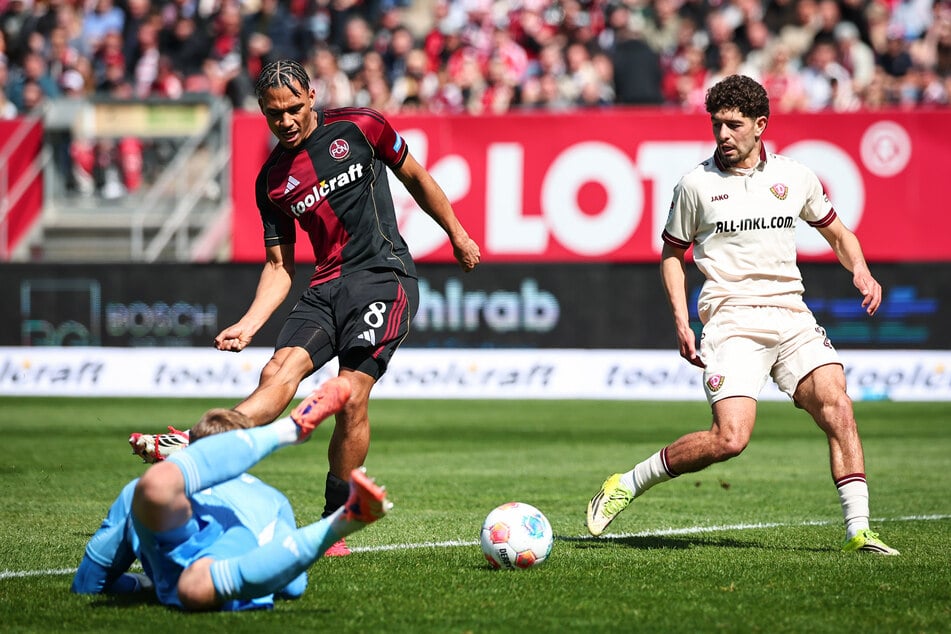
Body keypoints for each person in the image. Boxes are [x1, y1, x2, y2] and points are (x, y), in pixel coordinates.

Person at [129, 58, 481, 557]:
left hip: (384, 278)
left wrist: (458, 235)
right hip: (324, 288)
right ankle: (196, 444)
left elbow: (417, 178)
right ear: (262, 113)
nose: (287, 121)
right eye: (275, 114)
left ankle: (335, 518)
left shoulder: (362, 127)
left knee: (351, 395)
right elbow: (278, 267)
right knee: (276, 373)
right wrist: (249, 324)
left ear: (312, 96)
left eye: (294, 108)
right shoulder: (271, 181)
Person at [586, 74, 898, 556]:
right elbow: (672, 255)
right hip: (732, 321)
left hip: (791, 315)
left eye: (733, 126)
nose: (723, 136)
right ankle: (627, 482)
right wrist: (681, 320)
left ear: (760, 125)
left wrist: (862, 270)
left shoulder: (795, 177)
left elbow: (838, 233)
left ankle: (859, 529)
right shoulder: (696, 184)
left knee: (838, 406)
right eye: (717, 125)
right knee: (730, 439)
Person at [74, 377, 394, 611]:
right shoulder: (271, 500)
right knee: (196, 586)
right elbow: (293, 585)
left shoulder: (141, 491)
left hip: (171, 525)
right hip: (223, 559)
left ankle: (287, 433)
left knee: (153, 491)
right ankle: (340, 517)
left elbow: (89, 581)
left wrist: (140, 583)